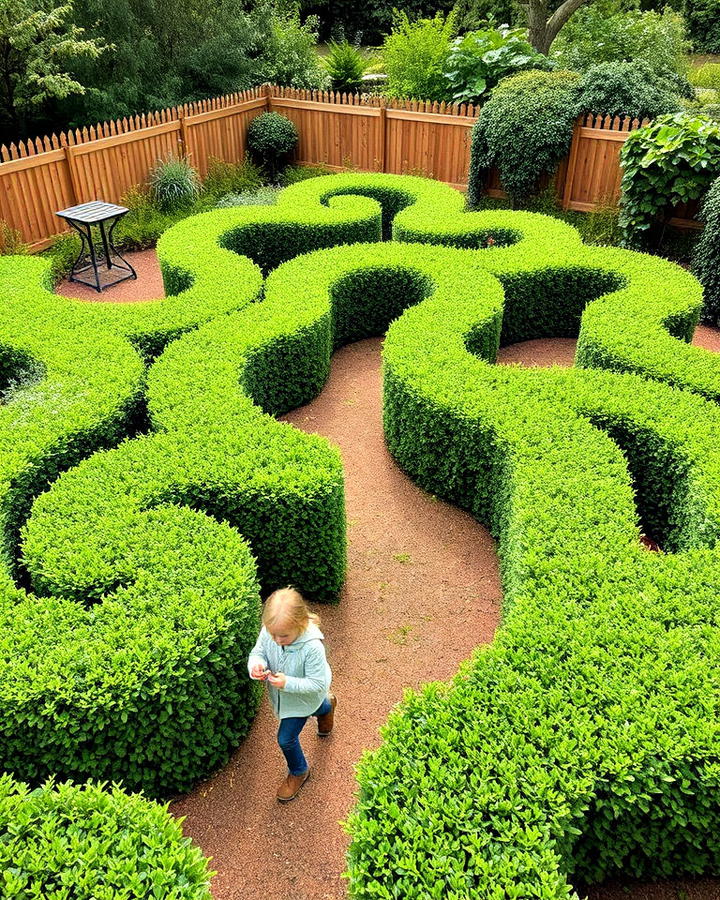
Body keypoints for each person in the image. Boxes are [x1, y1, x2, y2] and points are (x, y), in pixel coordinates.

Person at [248, 586, 337, 802]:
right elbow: (258, 652)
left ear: (301, 624)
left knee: (286, 738)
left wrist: (287, 683)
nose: (277, 640)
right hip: (288, 698)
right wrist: (256, 664)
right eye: (272, 634)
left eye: (284, 636)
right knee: (318, 706)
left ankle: (299, 771)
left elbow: (317, 683)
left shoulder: (312, 647)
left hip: (302, 697)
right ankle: (327, 706)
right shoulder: (272, 631)